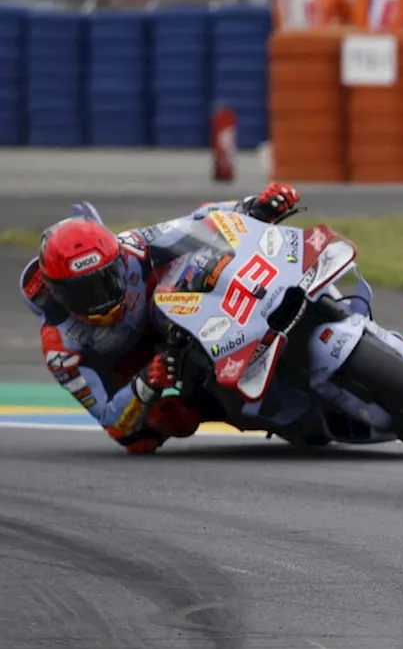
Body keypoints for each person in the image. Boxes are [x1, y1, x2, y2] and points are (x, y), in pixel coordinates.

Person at [20, 184, 302, 455]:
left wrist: (255, 207)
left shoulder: (133, 248)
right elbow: (110, 419)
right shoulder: (60, 346)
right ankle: (219, 403)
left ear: (117, 259)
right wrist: (146, 382)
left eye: (107, 280)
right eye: (84, 292)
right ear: (58, 294)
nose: (102, 299)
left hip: (173, 318)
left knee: (204, 258)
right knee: (150, 431)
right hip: (136, 370)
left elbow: (200, 222)